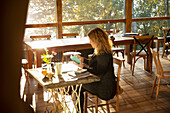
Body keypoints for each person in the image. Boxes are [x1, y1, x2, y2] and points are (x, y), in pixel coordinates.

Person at [74, 27, 117, 112]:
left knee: (78, 86)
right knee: (78, 85)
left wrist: (83, 67)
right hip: (101, 82)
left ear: (96, 40)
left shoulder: (104, 54)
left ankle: (80, 111)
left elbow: (97, 72)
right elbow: (93, 64)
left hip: (105, 89)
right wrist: (83, 59)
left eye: (91, 40)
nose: (89, 42)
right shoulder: (100, 51)